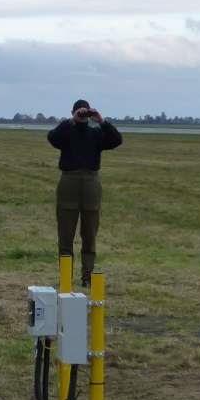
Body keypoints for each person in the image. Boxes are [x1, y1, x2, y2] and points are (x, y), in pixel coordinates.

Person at [47, 99, 122, 287]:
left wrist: (101, 121)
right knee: (65, 234)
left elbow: (116, 140)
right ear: (73, 113)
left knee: (90, 234)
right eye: (79, 113)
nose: (82, 116)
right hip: (69, 181)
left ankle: (87, 277)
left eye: (85, 113)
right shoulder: (66, 132)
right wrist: (70, 121)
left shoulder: (96, 134)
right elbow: (52, 138)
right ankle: (66, 277)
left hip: (91, 182)